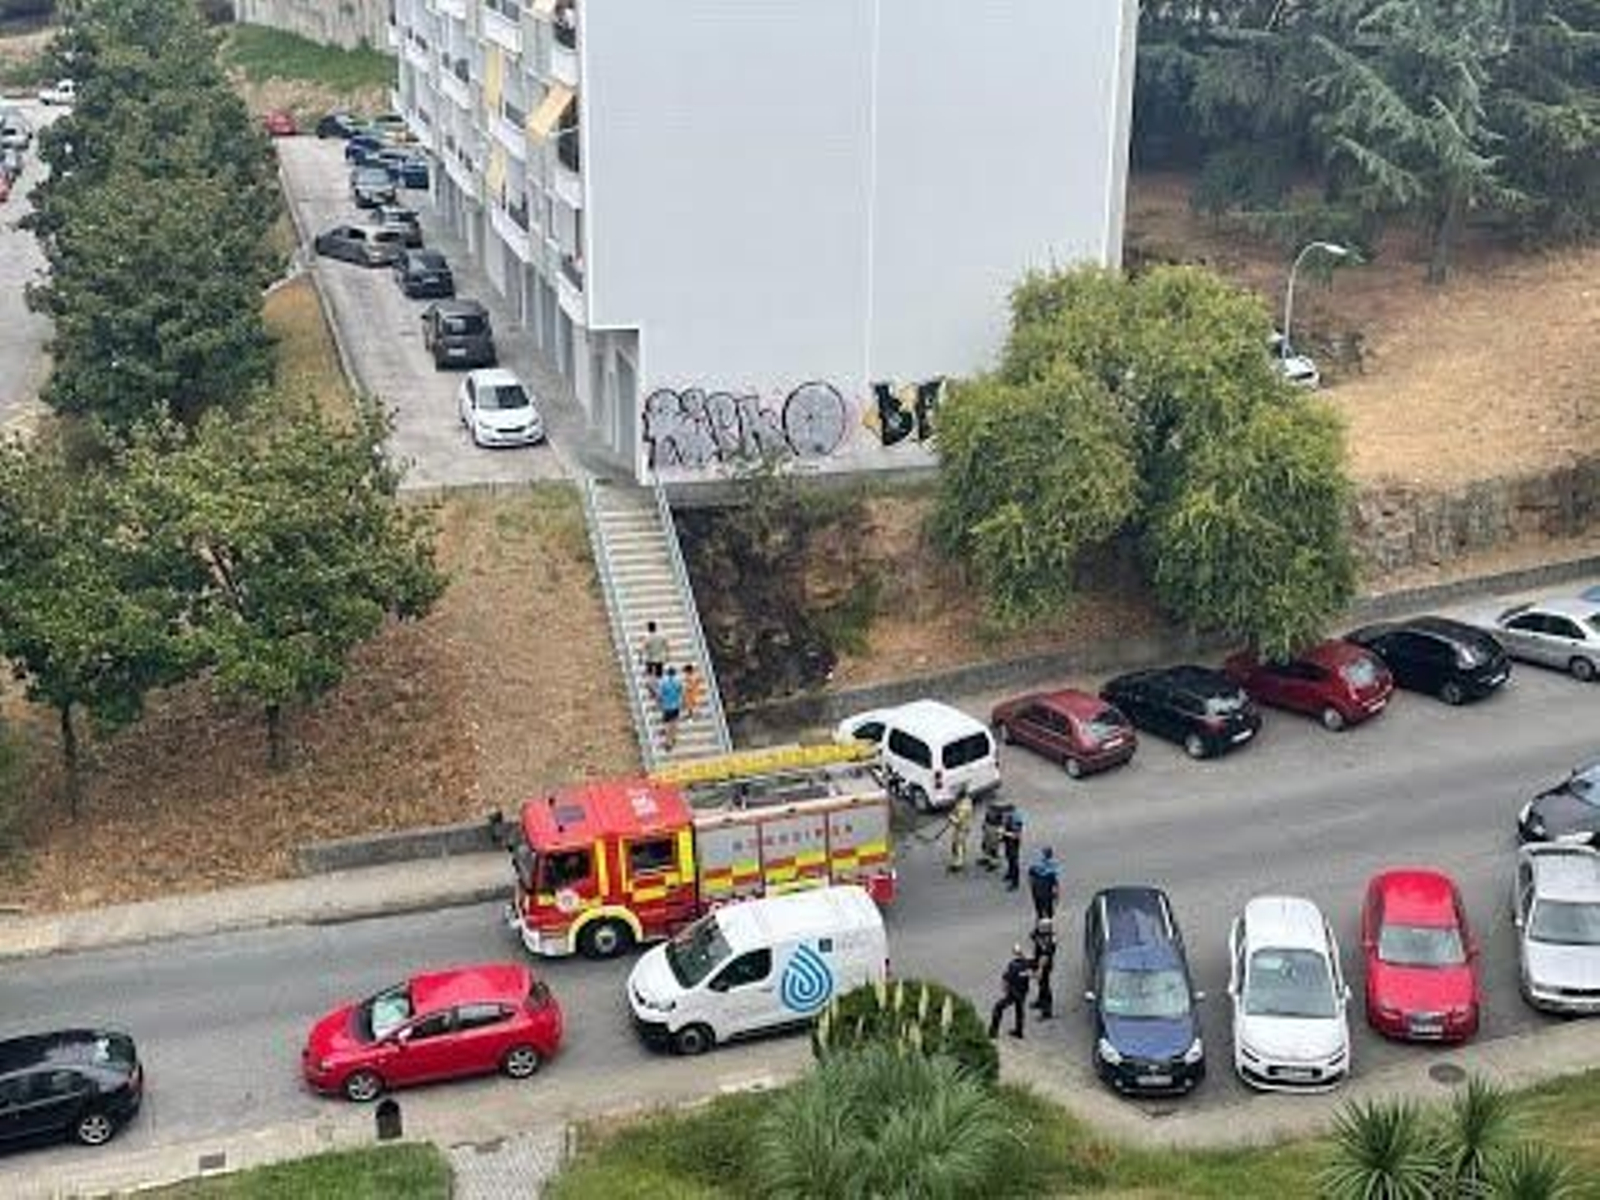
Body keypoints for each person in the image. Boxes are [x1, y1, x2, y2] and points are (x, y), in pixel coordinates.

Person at [989, 944, 1033, 1039]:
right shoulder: (1028, 964)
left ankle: (993, 1031)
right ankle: (1019, 1031)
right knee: (1019, 1009)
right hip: (1023, 991)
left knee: (998, 1007)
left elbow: (1006, 978)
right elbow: (1033, 972)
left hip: (1014, 992)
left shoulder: (1013, 965)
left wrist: (1005, 986)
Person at [1030, 917, 1057, 1020]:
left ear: (1047, 928)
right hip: (1038, 962)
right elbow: (1032, 935)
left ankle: (1047, 1011)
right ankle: (1040, 1001)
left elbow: (1045, 956)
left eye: (1041, 926)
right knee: (1041, 984)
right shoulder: (1041, 935)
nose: (1039, 927)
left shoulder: (1049, 940)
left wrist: (1040, 970)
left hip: (1045, 965)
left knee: (1045, 986)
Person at [1027, 846, 1061, 920]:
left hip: (1038, 886)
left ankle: (1041, 918)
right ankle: (1047, 919)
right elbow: (1055, 879)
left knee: (1039, 905)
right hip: (1046, 886)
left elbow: (1030, 873)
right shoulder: (1053, 864)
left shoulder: (1037, 863)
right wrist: (1056, 892)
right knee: (1047, 906)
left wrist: (1032, 884)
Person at [657, 665, 684, 751]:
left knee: (667, 725)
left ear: (667, 673)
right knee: (674, 723)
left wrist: (660, 702)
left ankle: (668, 743)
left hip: (667, 706)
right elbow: (681, 692)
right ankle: (674, 738)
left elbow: (660, 695)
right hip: (676, 706)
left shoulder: (663, 682)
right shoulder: (678, 682)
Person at [947, 788, 974, 872]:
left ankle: (959, 864)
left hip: (962, 828)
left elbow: (959, 821)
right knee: (959, 843)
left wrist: (951, 817)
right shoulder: (966, 801)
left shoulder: (964, 807)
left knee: (959, 845)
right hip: (963, 827)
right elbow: (956, 809)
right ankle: (959, 859)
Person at [639, 621, 669, 691]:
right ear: (655, 628)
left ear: (648, 629)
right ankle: (659, 687)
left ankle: (651, 686)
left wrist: (640, 657)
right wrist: (667, 655)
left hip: (650, 658)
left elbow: (642, 648)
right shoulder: (661, 636)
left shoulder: (648, 638)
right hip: (660, 658)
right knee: (659, 673)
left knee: (649, 672)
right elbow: (666, 645)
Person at [1001, 808, 1025, 891]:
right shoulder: (1009, 819)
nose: (1005, 816)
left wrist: (1004, 833)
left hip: (1014, 844)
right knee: (1008, 857)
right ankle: (1010, 873)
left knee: (1014, 861)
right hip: (1008, 843)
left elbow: (1016, 835)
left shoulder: (1016, 821)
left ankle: (1015, 883)